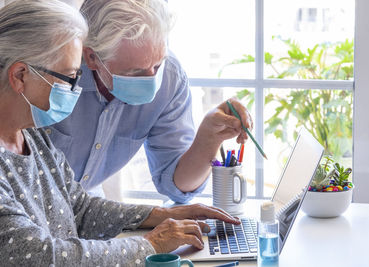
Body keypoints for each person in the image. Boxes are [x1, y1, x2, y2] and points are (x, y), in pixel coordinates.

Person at [0, 1, 240, 266]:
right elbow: (38, 256)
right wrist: (151, 244)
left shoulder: (31, 136)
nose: (75, 89)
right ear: (21, 75)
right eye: (69, 78)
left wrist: (160, 215)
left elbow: (79, 208)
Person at [49, 0, 253, 203]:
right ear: (92, 57)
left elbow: (176, 187)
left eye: (157, 65)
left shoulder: (171, 78)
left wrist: (209, 138)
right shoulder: (51, 76)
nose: (151, 79)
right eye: (135, 72)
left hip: (86, 206)